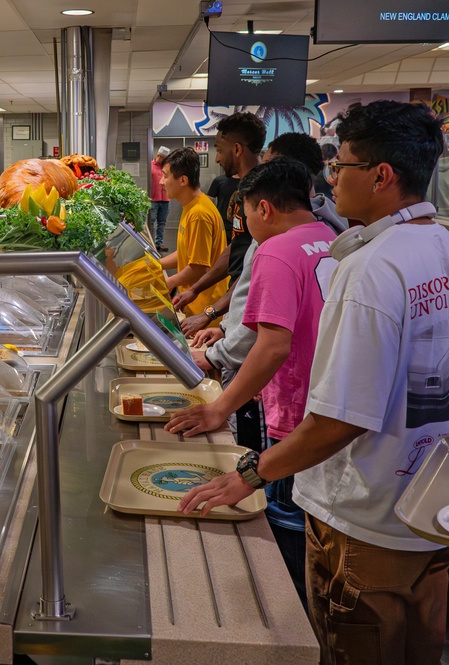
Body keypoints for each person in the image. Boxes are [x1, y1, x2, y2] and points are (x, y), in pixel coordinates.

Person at [178, 101, 449, 664]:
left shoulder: (373, 268)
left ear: (381, 175)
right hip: (428, 508)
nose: (331, 177)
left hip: (364, 519)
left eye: (341, 165)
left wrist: (249, 473)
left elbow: (341, 418)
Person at [167, 157, 340, 608]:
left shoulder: (275, 250)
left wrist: (217, 408)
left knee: (284, 518)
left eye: (244, 216)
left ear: (264, 208)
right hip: (327, 407)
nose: (244, 228)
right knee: (312, 527)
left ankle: (288, 623)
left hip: (289, 411)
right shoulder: (331, 239)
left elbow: (271, 346)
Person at [174, 112, 266, 337]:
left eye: (219, 149)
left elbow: (255, 268)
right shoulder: (242, 191)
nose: (216, 158)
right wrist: (195, 290)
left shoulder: (262, 194)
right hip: (234, 300)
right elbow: (236, 246)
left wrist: (209, 313)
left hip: (250, 303)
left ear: (236, 149)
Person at [155, 148, 228, 321]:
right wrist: (155, 266)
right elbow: (188, 252)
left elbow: (198, 267)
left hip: (205, 309)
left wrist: (169, 282)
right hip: (195, 305)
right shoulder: (191, 206)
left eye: (165, 175)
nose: (161, 182)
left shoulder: (198, 214)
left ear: (183, 180)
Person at [265, 132, 348, 235]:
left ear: (286, 171)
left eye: (266, 168)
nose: (259, 175)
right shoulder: (336, 214)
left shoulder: (282, 221)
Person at [149, 145, 172, 251]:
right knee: (151, 221)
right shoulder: (150, 166)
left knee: (162, 223)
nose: (161, 160)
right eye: (161, 157)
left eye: (164, 158)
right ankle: (150, 243)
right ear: (157, 155)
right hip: (153, 198)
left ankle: (159, 243)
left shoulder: (166, 168)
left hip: (165, 199)